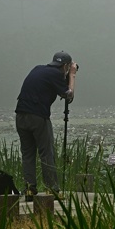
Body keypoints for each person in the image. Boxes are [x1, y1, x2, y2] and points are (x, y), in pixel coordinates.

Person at [15, 50, 78, 200]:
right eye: (68, 67)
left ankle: (30, 189)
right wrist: (72, 75)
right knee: (46, 152)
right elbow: (68, 94)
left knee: (28, 153)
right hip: (38, 117)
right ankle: (52, 189)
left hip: (20, 116)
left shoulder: (38, 68)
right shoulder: (56, 74)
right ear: (65, 66)